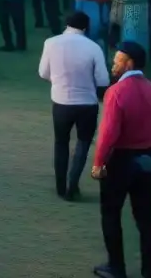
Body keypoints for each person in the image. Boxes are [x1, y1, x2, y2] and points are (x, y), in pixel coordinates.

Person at [91, 42, 151, 278]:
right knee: (145, 216)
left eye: (117, 60)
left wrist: (98, 163)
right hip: (147, 159)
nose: (113, 64)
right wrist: (149, 147)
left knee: (111, 213)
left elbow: (108, 134)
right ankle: (150, 272)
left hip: (120, 161)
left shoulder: (115, 92)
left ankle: (117, 267)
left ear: (129, 63)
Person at [39, 11, 109, 202]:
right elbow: (103, 79)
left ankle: (60, 186)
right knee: (83, 143)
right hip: (87, 103)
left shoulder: (50, 43)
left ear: (66, 24)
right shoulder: (94, 47)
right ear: (86, 27)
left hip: (61, 102)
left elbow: (43, 73)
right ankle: (73, 183)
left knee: (60, 142)